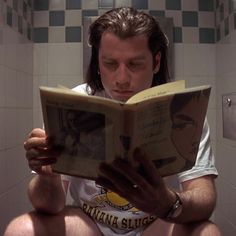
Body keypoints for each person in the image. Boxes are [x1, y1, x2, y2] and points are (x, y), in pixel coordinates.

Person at [4, 7, 221, 236]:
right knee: (21, 230)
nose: (122, 79)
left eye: (135, 64)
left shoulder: (182, 108)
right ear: (98, 62)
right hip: (89, 226)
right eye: (110, 64)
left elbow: (205, 197)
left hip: (155, 225)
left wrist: (168, 203)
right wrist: (48, 176)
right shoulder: (72, 105)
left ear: (156, 61)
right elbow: (50, 206)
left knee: (208, 232)